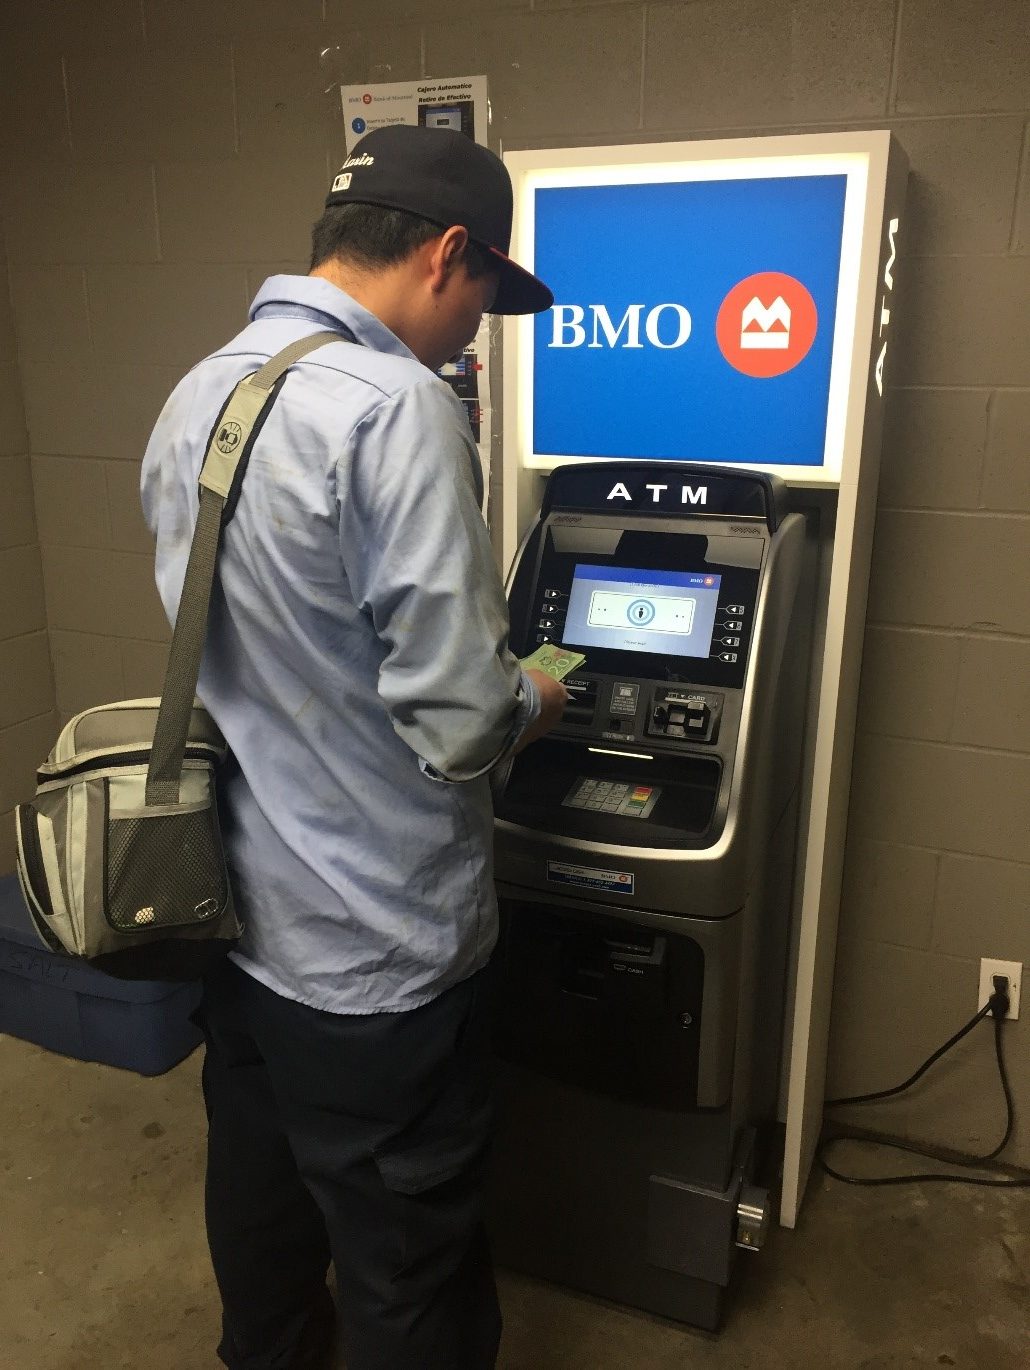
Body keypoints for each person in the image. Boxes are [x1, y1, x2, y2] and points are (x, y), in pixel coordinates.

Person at [140, 124, 568, 1370]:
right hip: (379, 951)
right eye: (488, 295)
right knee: (407, 1259)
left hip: (241, 919)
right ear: (447, 256)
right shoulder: (396, 412)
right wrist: (533, 693)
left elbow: (233, 650)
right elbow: (457, 718)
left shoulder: (197, 388)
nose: (479, 331)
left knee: (263, 1210)